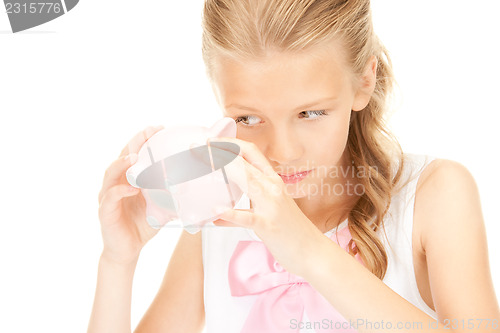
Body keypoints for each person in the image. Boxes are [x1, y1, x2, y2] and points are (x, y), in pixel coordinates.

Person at [88, 0, 499, 332]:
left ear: (364, 81)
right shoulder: (221, 212)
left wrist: (304, 248)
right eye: (249, 119)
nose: (282, 152)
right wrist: (117, 262)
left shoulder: (435, 194)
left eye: (311, 113)